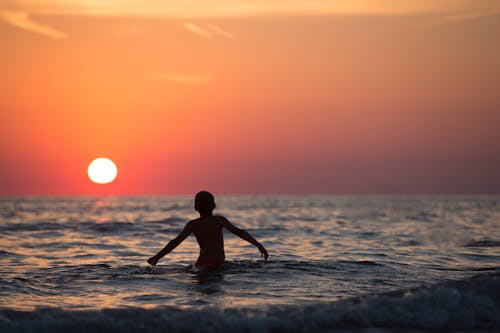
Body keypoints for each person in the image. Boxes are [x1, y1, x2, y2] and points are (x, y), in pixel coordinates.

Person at [147, 191, 268, 268]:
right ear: (214, 206)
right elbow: (240, 232)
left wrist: (156, 257)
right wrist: (258, 245)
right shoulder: (219, 220)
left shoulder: (193, 224)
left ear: (195, 208)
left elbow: (175, 242)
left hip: (200, 264)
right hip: (217, 264)